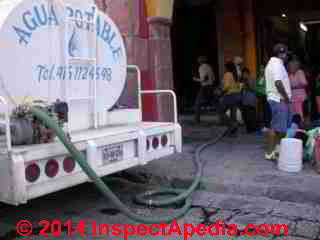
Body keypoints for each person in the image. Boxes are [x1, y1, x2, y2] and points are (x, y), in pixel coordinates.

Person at [265, 43, 292, 161]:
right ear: (281, 54)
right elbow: (278, 82)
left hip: (278, 99)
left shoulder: (275, 63)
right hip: (278, 99)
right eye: (286, 53)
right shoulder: (276, 64)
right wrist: (286, 98)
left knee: (280, 129)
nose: (287, 56)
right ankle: (270, 153)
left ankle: (276, 151)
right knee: (276, 128)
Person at [219, 61, 241, 129]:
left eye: (225, 67)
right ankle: (233, 129)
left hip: (230, 95)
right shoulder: (235, 74)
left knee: (221, 111)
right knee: (233, 114)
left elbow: (227, 86)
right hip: (236, 95)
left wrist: (221, 93)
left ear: (227, 67)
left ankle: (232, 126)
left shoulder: (228, 74)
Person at [193, 56, 215, 123]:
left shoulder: (201, 67)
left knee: (197, 103)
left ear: (200, 61)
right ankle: (223, 118)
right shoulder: (209, 67)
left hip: (205, 87)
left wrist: (195, 79)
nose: (198, 61)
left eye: (199, 60)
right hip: (211, 86)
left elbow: (203, 79)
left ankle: (197, 120)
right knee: (214, 103)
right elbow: (213, 78)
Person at [240, 68, 259, 133]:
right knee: (245, 115)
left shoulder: (252, 79)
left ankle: (253, 128)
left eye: (245, 74)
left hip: (250, 100)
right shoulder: (242, 80)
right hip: (244, 100)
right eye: (243, 74)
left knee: (251, 115)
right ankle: (249, 129)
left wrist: (247, 84)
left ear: (248, 74)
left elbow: (254, 89)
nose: (244, 75)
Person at [256, 64, 271, 132]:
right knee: (263, 110)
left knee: (266, 110)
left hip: (266, 95)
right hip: (260, 96)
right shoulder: (260, 77)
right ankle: (265, 125)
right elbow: (258, 86)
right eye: (260, 68)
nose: (261, 70)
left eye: (262, 68)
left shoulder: (267, 76)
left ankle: (267, 126)